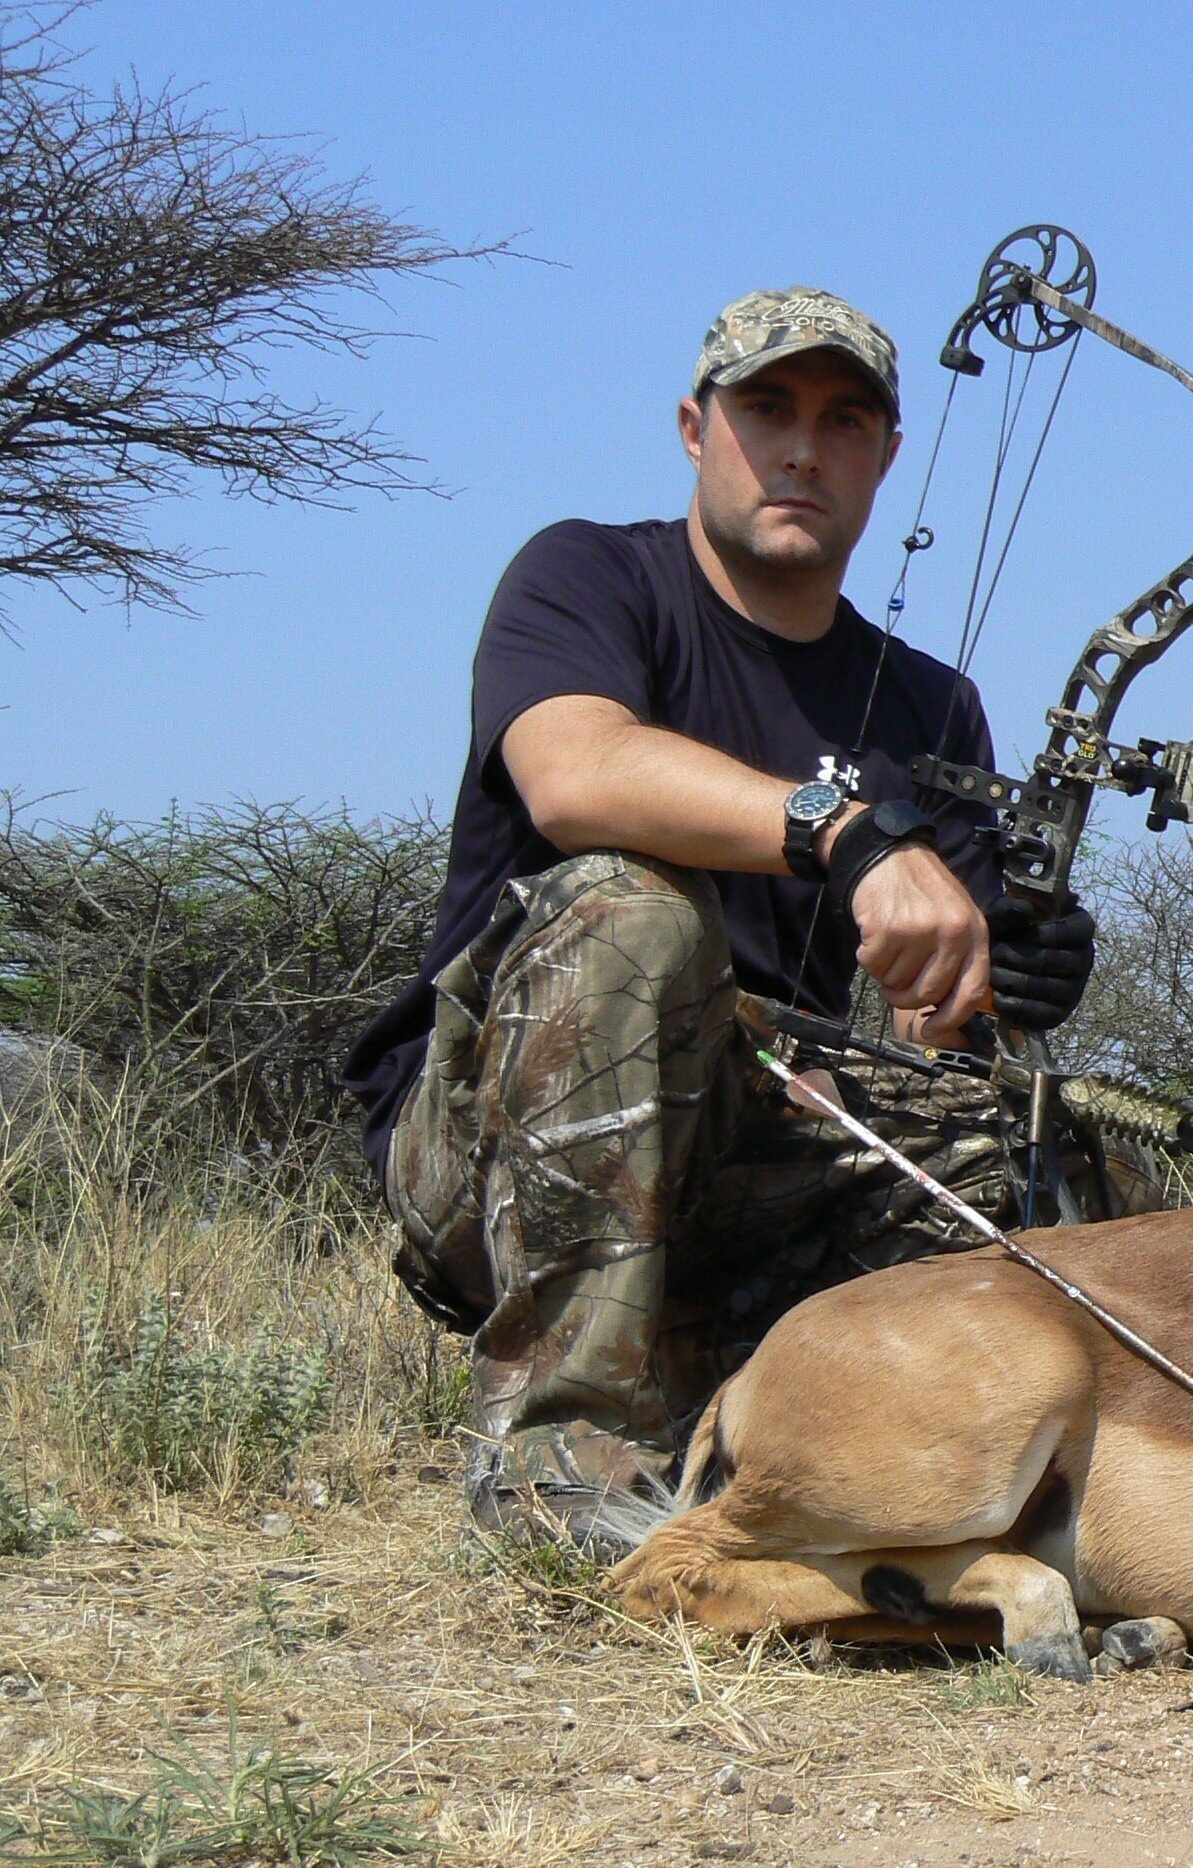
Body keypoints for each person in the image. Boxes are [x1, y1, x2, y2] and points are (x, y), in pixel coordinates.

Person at [342, 288, 1097, 1558]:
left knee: (1057, 1153)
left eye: (843, 420)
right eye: (767, 410)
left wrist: (1004, 970)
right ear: (696, 429)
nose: (803, 450)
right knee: (630, 913)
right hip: (490, 1160)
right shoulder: (588, 573)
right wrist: (851, 836)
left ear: (886, 458)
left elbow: (936, 1031)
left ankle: (969, 1473)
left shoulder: (930, 701)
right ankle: (559, 1460)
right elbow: (574, 776)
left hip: (748, 1144)